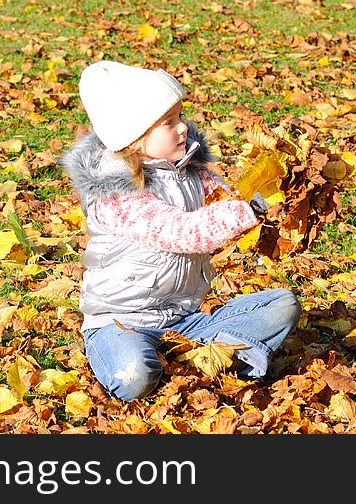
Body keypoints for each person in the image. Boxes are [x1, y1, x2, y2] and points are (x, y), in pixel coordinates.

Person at [58, 60, 302, 402]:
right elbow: (181, 232)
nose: (183, 128)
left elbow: (228, 205)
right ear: (134, 136)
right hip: (122, 322)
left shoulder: (192, 171)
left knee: (282, 305)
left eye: (180, 117)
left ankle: (191, 356)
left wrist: (274, 188)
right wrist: (246, 211)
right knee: (134, 377)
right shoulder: (114, 193)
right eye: (168, 123)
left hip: (184, 319)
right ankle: (162, 358)